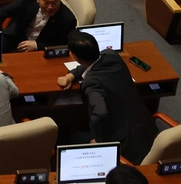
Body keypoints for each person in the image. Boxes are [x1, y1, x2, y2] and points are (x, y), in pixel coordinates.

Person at [57, 30, 156, 164]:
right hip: (146, 129)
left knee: (75, 138)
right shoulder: (111, 55)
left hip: (125, 143)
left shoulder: (92, 84)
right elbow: (92, 63)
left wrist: (99, 140)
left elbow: (100, 113)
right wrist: (71, 75)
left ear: (75, 57)